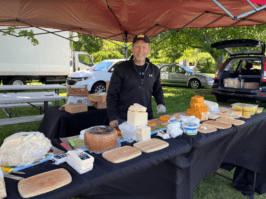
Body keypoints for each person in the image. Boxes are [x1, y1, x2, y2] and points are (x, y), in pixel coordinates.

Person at [107, 34, 166, 128]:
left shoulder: (154, 70)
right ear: (132, 48)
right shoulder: (121, 68)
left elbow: (158, 90)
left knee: (145, 142)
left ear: (149, 50)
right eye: (138, 47)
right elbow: (112, 95)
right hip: (124, 120)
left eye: (144, 47)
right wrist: (112, 117)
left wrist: (161, 103)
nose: (141, 51)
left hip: (146, 118)